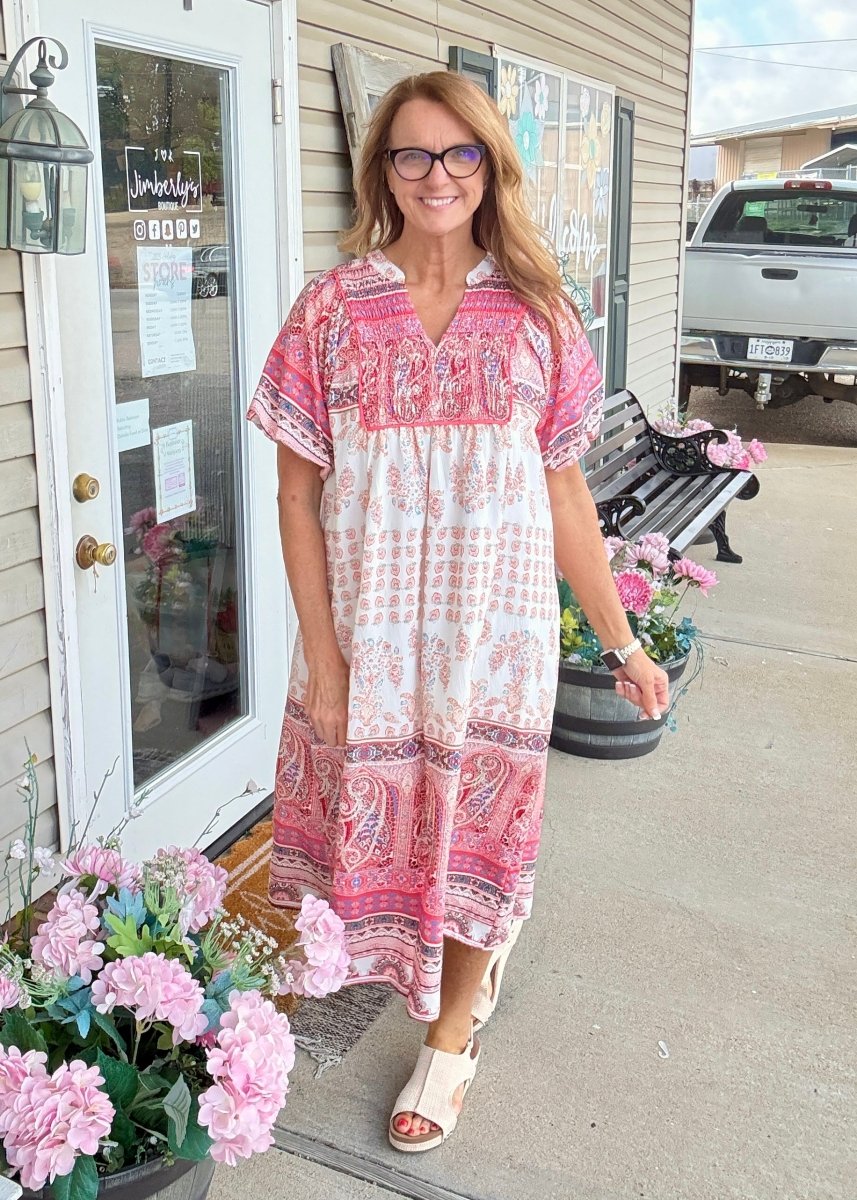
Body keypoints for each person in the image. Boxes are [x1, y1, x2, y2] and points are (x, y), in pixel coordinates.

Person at [247, 71, 669, 1153]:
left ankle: (449, 1038)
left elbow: (565, 492)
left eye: (459, 154)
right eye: (411, 155)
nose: (436, 175)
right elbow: (297, 494)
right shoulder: (331, 309)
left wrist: (619, 640)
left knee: (480, 839)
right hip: (369, 646)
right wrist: (327, 663)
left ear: (489, 167)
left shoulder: (535, 313)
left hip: (497, 643)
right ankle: (441, 983)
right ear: (382, 171)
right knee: (367, 842)